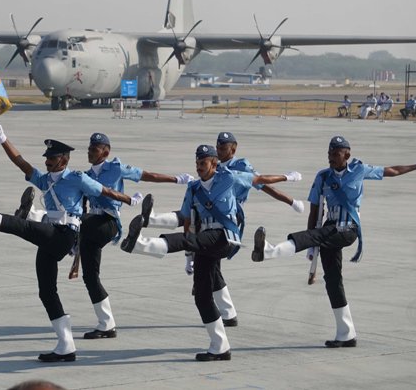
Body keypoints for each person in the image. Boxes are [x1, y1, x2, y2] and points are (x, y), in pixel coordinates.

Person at [0, 121, 140, 362]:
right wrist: (3, 139)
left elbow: (104, 191)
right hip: (50, 236)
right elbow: (21, 162)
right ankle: (66, 346)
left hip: (65, 234)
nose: (46, 161)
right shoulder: (45, 180)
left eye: (51, 158)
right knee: (46, 291)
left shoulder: (77, 178)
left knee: (22, 226)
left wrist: (128, 199)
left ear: (63, 159)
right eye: (46, 158)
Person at [120, 144, 301, 361]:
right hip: (205, 242)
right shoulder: (194, 188)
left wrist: (287, 177)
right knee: (202, 297)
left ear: (214, 164)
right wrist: (189, 257)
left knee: (190, 241)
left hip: (226, 237)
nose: (198, 167)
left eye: (203, 163)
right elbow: (187, 220)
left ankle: (139, 244)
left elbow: (260, 180)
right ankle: (220, 346)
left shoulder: (230, 178)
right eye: (197, 163)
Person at [251, 136, 416, 348]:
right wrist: (311, 250)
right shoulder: (323, 177)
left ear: (347, 155)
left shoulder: (359, 170)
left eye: (335, 154)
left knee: (321, 235)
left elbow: (392, 171)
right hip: (328, 230)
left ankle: (270, 251)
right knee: (333, 280)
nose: (331, 158)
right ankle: (346, 333)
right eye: (329, 154)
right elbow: (315, 212)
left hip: (348, 228)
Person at [78, 132, 193, 340]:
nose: (90, 152)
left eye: (94, 149)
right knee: (90, 277)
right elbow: (82, 207)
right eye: (89, 148)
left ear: (106, 151)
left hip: (108, 222)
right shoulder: (85, 176)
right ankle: (106, 325)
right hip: (90, 227)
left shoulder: (116, 168)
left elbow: (148, 175)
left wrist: (176, 179)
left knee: (77, 223)